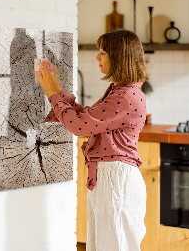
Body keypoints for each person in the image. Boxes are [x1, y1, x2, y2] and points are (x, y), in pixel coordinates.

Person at [35, 29, 148, 251]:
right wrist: (57, 89)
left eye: (103, 52)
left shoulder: (125, 96)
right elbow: (87, 118)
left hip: (116, 180)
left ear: (119, 56)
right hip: (110, 178)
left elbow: (79, 126)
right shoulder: (121, 91)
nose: (97, 57)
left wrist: (51, 93)